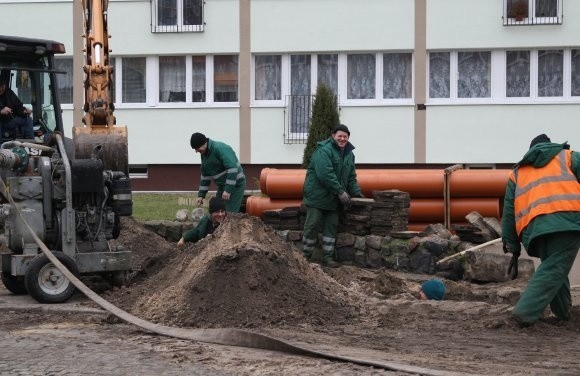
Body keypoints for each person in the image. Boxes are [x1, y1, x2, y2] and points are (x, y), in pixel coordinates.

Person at [502, 133, 580, 326]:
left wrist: (512, 244)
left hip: (534, 230)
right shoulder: (568, 156)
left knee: (553, 267)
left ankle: (563, 314)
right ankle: (523, 314)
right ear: (550, 146)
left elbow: (509, 211)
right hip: (566, 222)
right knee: (554, 268)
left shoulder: (518, 173)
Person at [301, 124, 363, 268]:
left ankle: (328, 258)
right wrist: (340, 191)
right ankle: (304, 257)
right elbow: (325, 174)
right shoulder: (324, 151)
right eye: (339, 136)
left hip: (334, 199)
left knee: (331, 227)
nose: (342, 139)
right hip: (317, 196)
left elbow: (351, 177)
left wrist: (357, 194)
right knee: (312, 225)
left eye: (345, 136)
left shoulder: (349, 154)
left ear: (348, 138)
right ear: (333, 136)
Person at [190, 132, 246, 213]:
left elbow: (232, 169)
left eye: (197, 148)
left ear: (204, 143)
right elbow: (205, 176)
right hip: (222, 187)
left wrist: (228, 190)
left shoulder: (220, 148)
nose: (196, 151)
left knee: (229, 214)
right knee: (215, 211)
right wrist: (201, 195)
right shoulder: (205, 153)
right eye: (195, 149)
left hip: (235, 185)